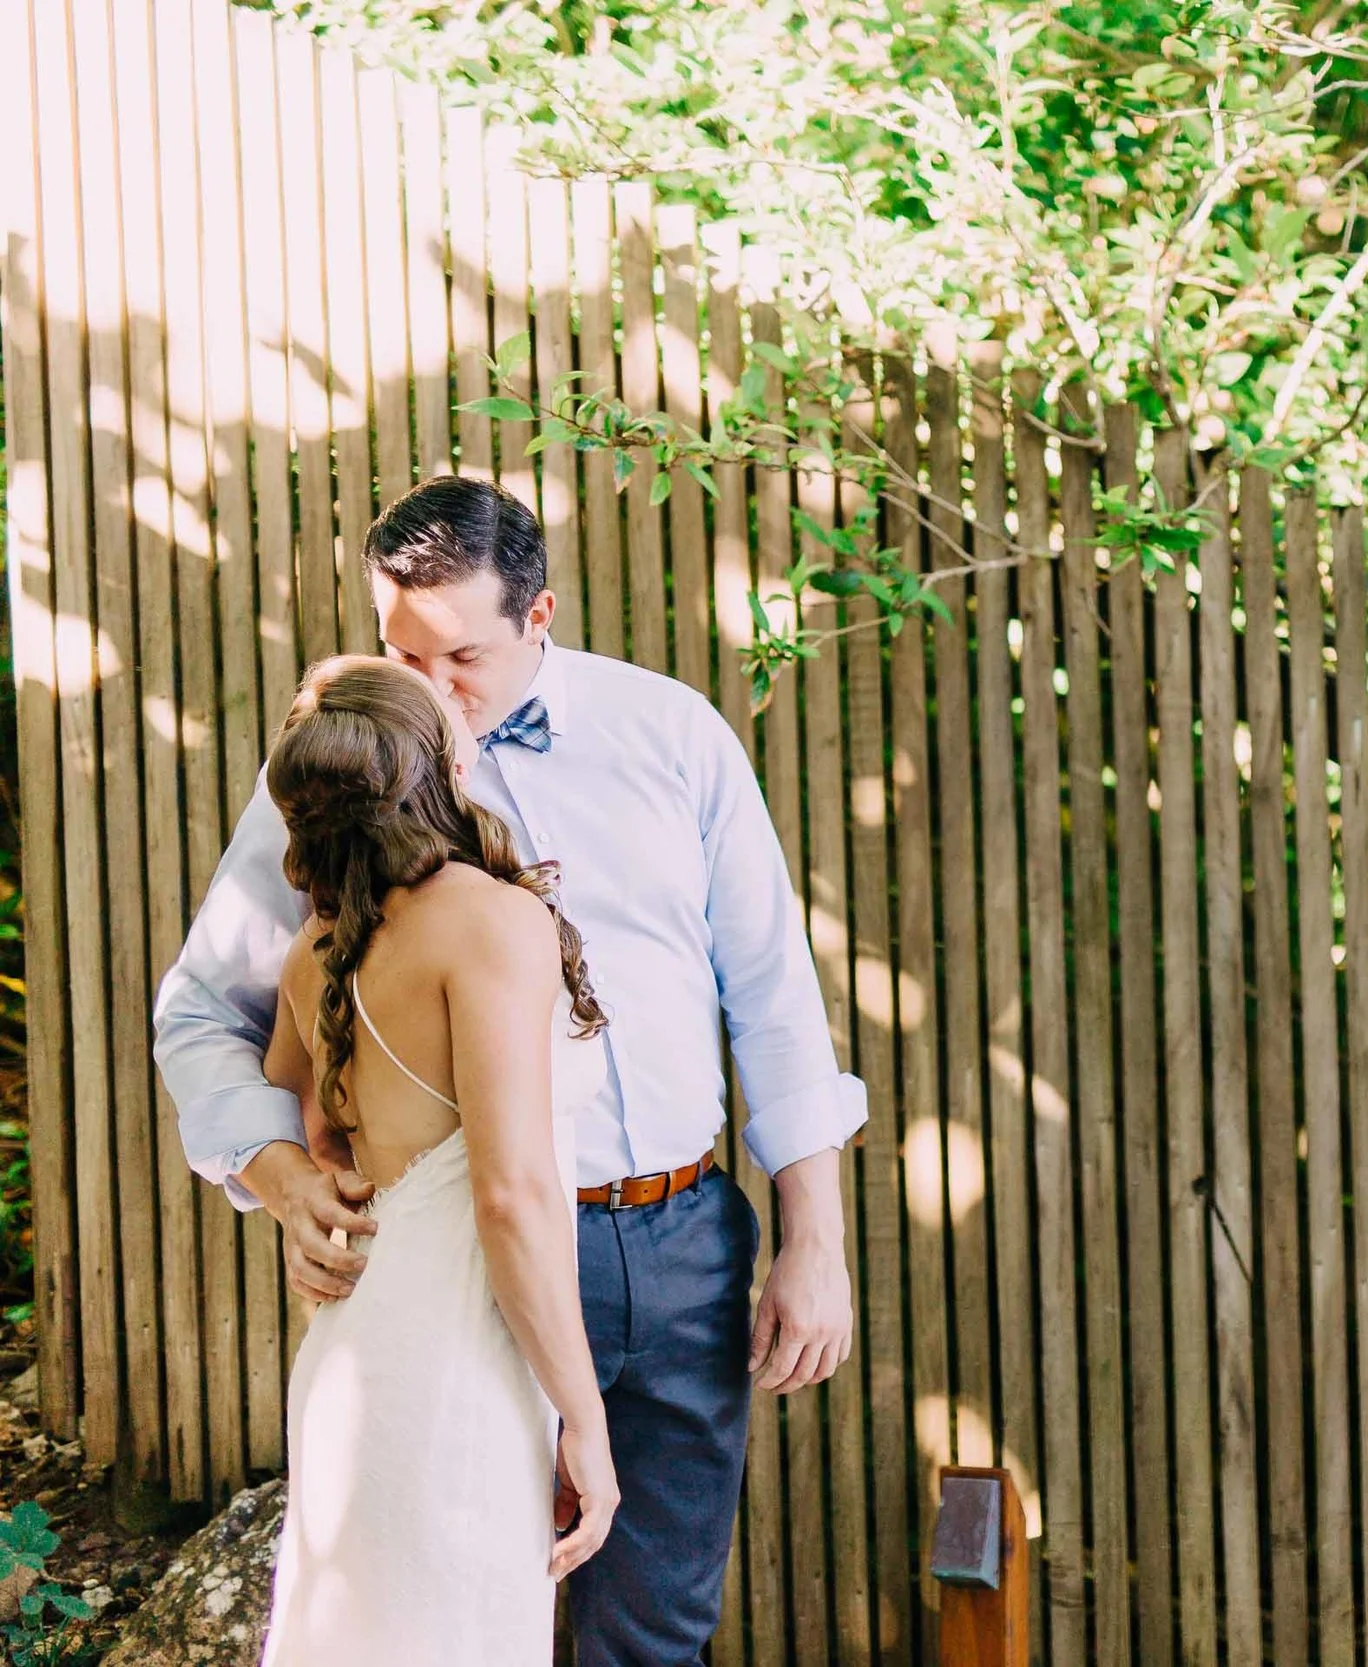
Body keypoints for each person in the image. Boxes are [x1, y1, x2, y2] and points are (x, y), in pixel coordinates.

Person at [156, 475, 867, 1664]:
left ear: (541, 616)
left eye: (461, 656)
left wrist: (817, 1234)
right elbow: (207, 1010)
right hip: (469, 1268)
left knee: (657, 1628)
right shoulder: (341, 765)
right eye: (399, 651)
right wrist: (279, 1172)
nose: (429, 692)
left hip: (685, 1240)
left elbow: (774, 990)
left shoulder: (674, 732)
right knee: (461, 1618)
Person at [253, 655, 618, 1663]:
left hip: (356, 1352)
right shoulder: (497, 921)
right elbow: (511, 1194)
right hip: (457, 1370)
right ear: (440, 763)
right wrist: (583, 1420)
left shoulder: (318, 949)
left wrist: (309, 1176)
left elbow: (292, 1094)